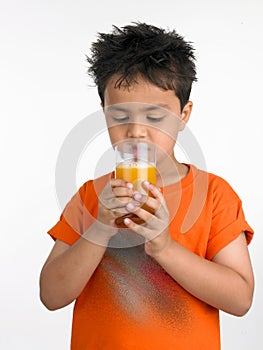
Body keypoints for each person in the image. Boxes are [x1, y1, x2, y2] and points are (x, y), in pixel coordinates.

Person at [39, 22, 254, 349]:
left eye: (155, 117)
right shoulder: (89, 197)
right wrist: (99, 229)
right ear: (104, 113)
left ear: (184, 115)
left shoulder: (214, 196)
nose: (136, 132)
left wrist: (165, 247)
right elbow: (51, 296)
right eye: (120, 116)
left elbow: (240, 300)